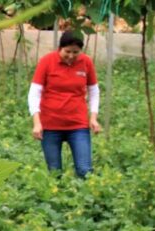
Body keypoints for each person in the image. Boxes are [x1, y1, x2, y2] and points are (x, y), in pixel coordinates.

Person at [28, 30, 101, 178]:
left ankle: (84, 200)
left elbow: (94, 91)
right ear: (60, 48)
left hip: (78, 124)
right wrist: (37, 123)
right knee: (55, 173)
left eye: (76, 52)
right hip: (50, 126)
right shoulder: (47, 61)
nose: (71, 56)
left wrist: (93, 117)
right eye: (67, 51)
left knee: (84, 171)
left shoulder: (86, 62)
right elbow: (34, 93)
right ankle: (58, 200)